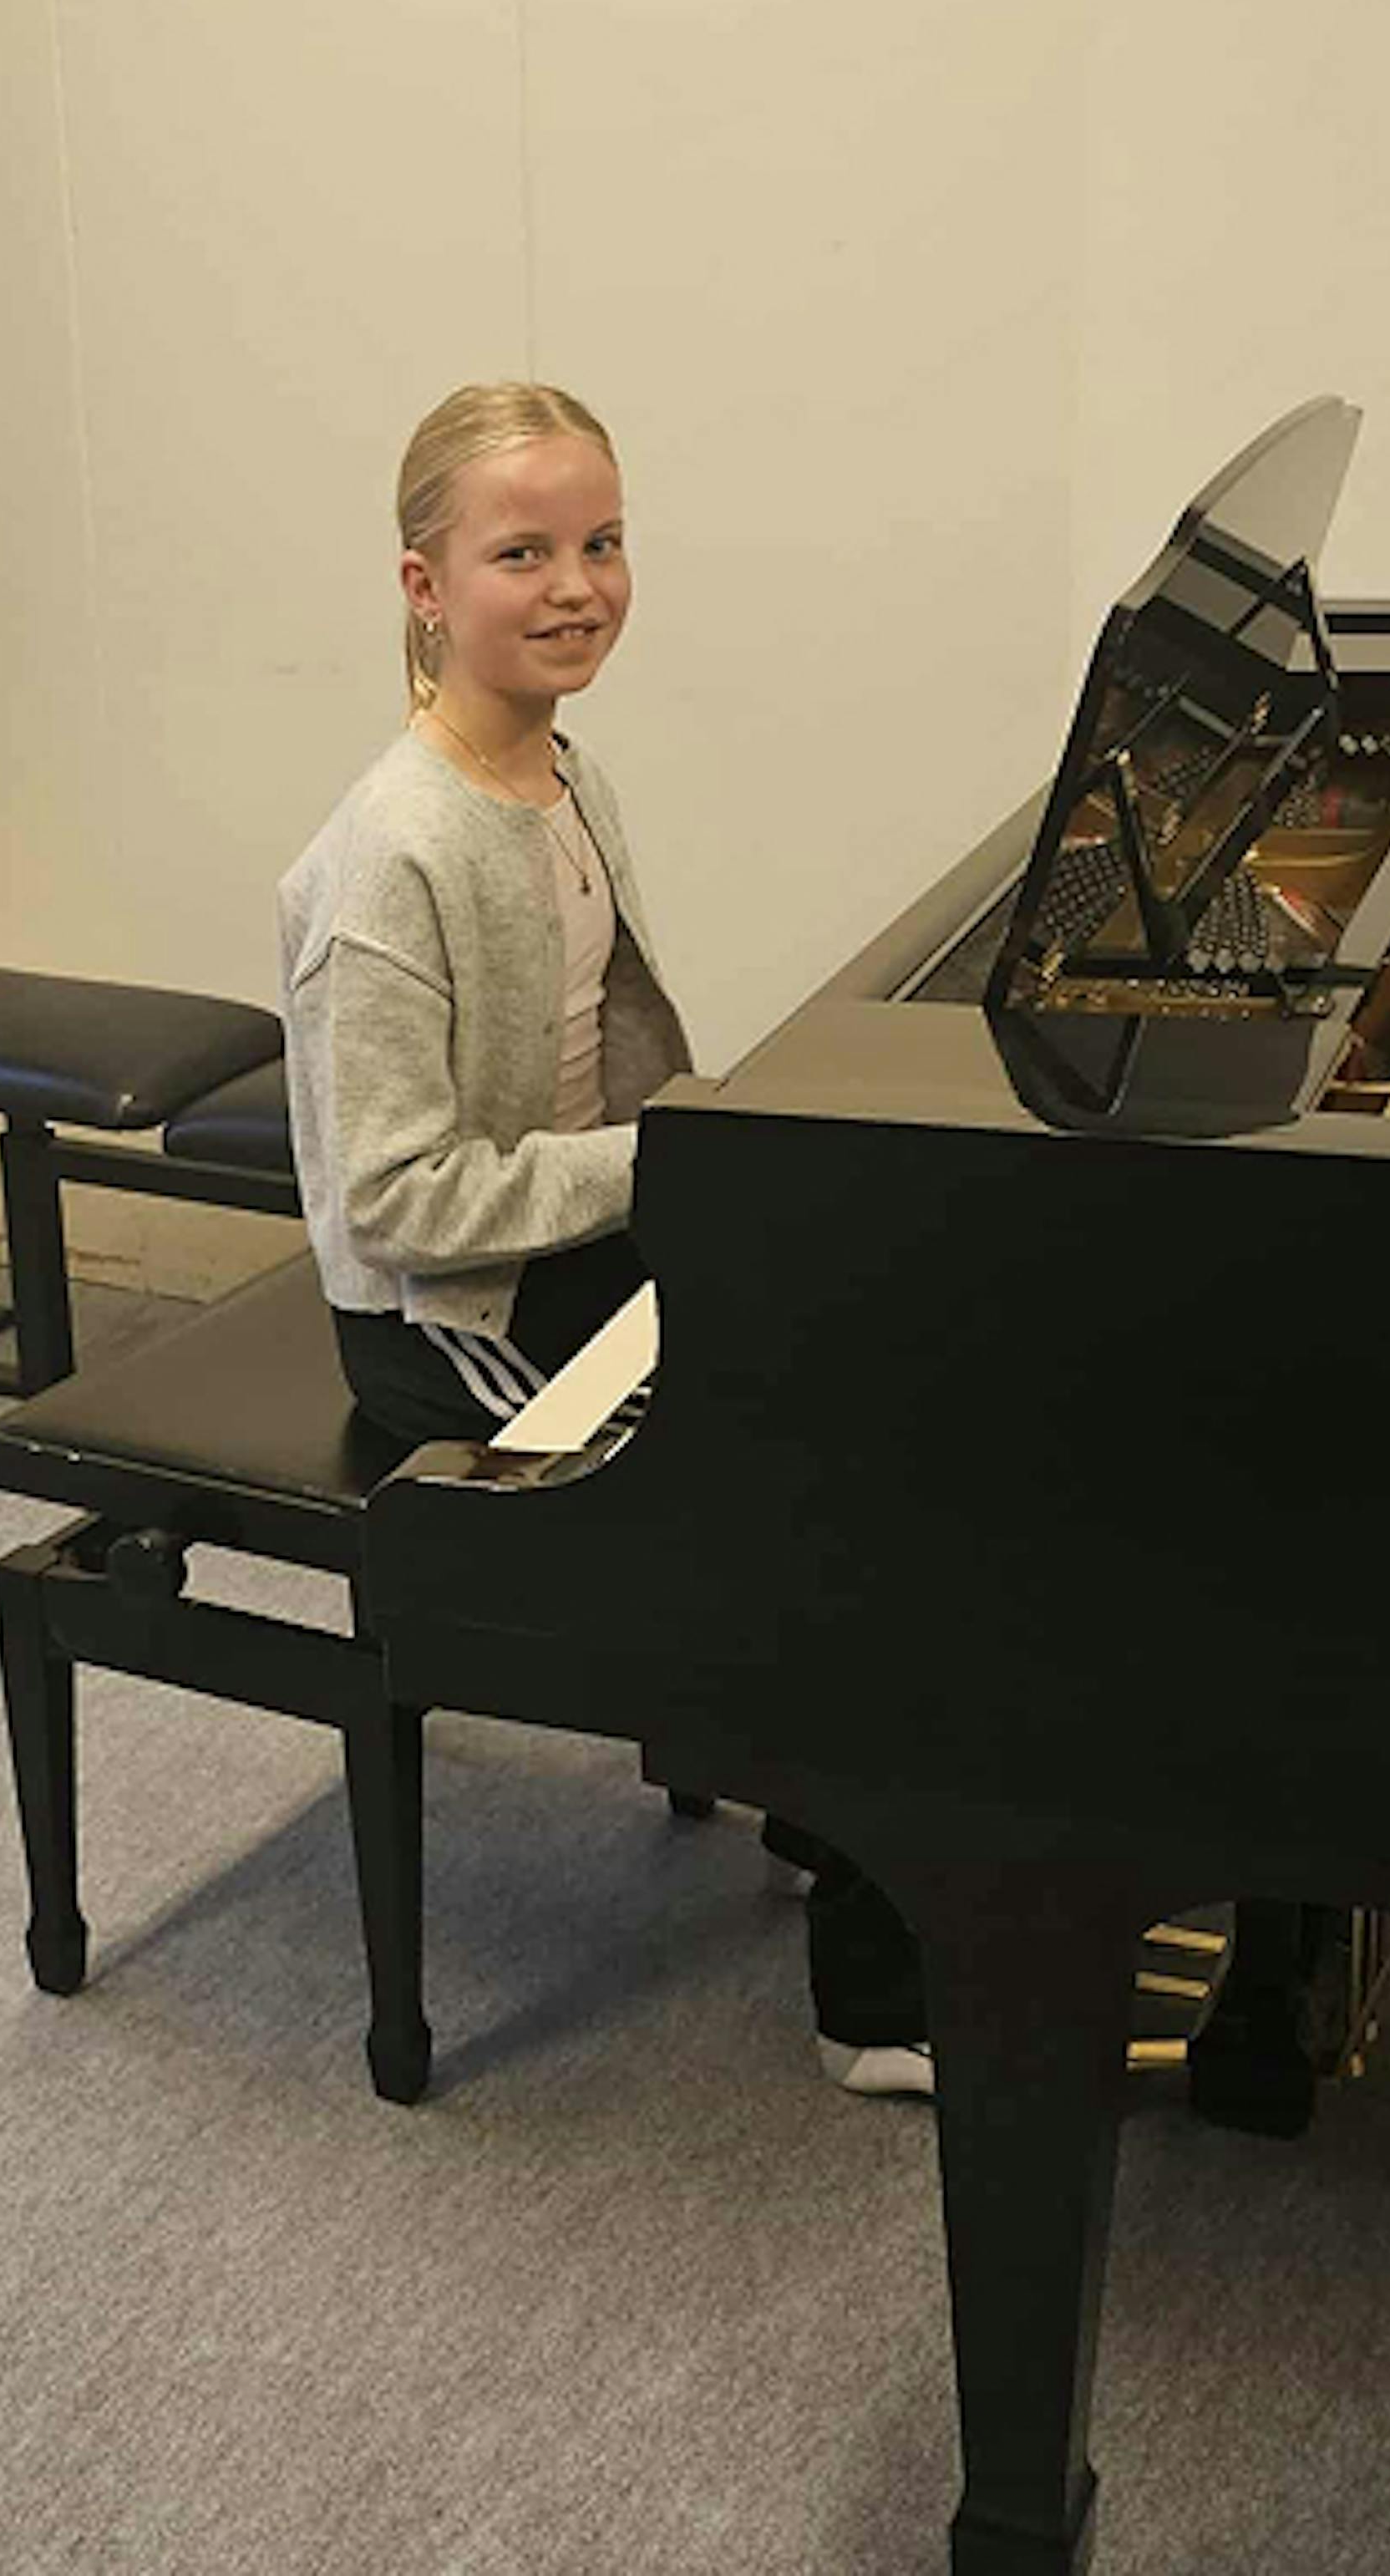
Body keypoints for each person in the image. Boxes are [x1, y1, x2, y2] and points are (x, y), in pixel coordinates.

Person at [275, 379, 932, 2096]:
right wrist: (666, 1167)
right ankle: (878, 1995)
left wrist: (709, 1182)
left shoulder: (562, 767)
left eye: (603, 542)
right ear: (425, 587)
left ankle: (841, 1803)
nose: (577, 587)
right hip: (451, 1316)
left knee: (881, 1368)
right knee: (792, 1478)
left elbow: (609, 1063)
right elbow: (393, 1202)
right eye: (523, 554)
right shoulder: (391, 857)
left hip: (577, 1241)